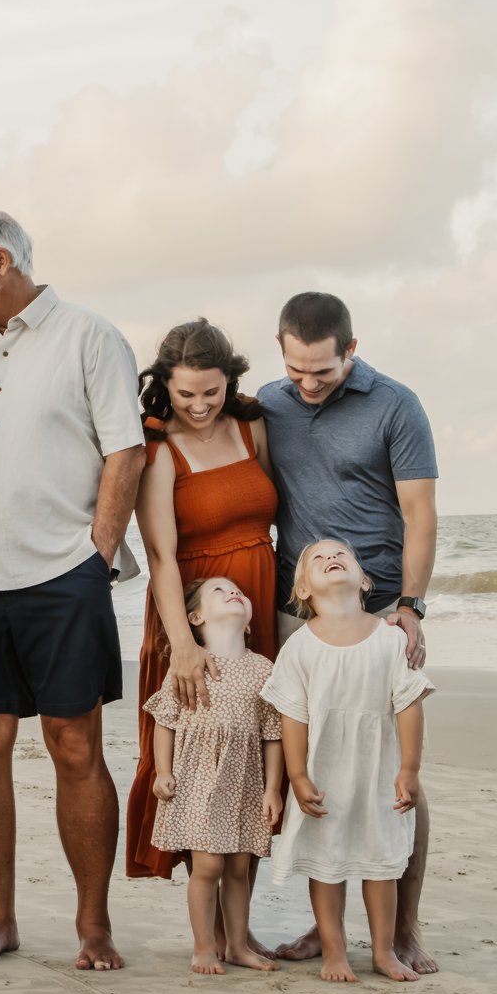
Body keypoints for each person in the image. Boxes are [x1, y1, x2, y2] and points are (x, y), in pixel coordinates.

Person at [0, 211, 144, 970]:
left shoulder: (90, 336)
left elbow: (127, 449)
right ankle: (0, 918)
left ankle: (94, 924)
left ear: (0, 260)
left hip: (63, 573)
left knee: (73, 743)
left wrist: (96, 553)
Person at [253, 291, 441, 973]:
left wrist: (412, 605)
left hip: (383, 605)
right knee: (318, 769)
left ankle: (405, 928)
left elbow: (420, 513)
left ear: (351, 351)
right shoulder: (269, 403)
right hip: (299, 611)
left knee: (395, 775)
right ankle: (323, 926)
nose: (306, 384)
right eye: (295, 369)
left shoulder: (396, 404)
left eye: (323, 372)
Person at [126, 320, 281, 930]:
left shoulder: (252, 428)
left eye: (210, 392)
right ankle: (207, 927)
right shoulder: (160, 450)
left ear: (230, 381)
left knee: (248, 750)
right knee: (196, 759)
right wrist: (183, 646)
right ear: (166, 385)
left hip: (255, 604)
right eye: (185, 393)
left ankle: (239, 927)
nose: (198, 405)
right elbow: (161, 556)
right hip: (190, 610)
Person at [264, 538, 433, 983]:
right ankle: (334, 950)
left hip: (377, 771)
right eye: (317, 559)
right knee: (326, 864)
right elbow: (293, 716)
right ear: (303, 590)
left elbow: (410, 705)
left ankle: (382, 951)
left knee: (381, 864)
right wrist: (297, 775)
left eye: (341, 555)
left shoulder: (390, 639)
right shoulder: (300, 646)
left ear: (364, 579)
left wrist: (409, 770)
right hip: (325, 775)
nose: (330, 558)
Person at [142, 576, 282, 976]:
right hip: (198, 779)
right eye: (219, 591)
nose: (234, 592)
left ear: (250, 622)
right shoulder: (188, 664)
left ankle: (237, 945)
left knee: (239, 868)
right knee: (207, 867)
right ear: (195, 616)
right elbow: (164, 721)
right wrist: (163, 771)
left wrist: (273, 788)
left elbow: (273, 734)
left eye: (239, 590)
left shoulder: (263, 669)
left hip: (245, 782)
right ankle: (204, 946)